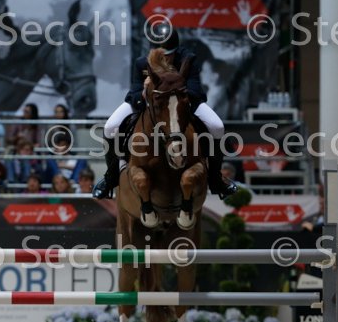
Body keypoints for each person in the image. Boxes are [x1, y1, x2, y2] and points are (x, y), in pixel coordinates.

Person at [93, 23, 236, 200]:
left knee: (217, 126)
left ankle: (216, 178)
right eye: (161, 56)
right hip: (150, 104)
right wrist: (146, 92)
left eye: (169, 55)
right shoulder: (142, 63)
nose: (165, 60)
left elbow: (195, 91)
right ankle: (111, 177)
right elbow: (134, 93)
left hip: (181, 104)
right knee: (110, 127)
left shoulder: (187, 59)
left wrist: (174, 92)